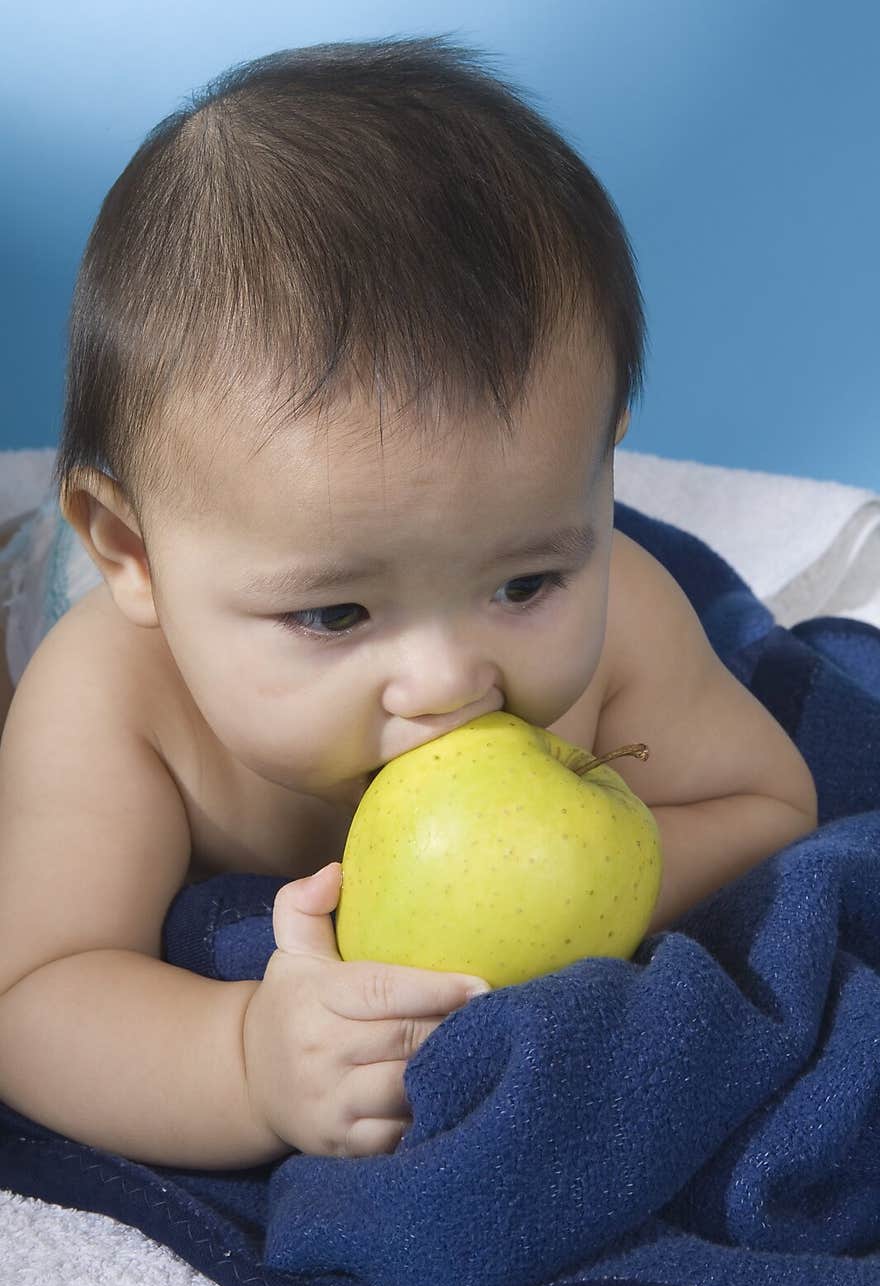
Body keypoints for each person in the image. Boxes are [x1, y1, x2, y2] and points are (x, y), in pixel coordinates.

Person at [0, 36, 817, 1170]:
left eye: (525, 582)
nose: (447, 683)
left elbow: (768, 806)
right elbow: (36, 991)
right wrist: (243, 1058)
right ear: (133, 548)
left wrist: (570, 907)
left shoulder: (623, 604)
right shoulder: (113, 700)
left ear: (602, 477)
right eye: (335, 615)